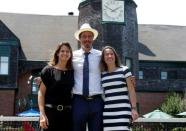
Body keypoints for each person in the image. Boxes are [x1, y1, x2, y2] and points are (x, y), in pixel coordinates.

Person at [72, 23, 104, 131]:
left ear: (93, 39)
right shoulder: (72, 56)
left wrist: (126, 75)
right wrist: (43, 78)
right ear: (79, 39)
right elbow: (59, 66)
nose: (87, 39)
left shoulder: (101, 55)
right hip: (78, 101)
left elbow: (114, 65)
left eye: (89, 36)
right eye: (84, 36)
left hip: (96, 102)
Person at [100, 46, 139, 131]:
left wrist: (134, 109)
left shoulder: (125, 70)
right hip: (108, 112)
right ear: (103, 58)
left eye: (111, 54)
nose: (109, 56)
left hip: (123, 110)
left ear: (115, 56)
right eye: (106, 54)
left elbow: (131, 90)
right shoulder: (102, 74)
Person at [38, 42, 74, 131]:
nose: (65, 53)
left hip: (67, 116)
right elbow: (41, 93)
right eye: (62, 51)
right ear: (57, 53)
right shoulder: (48, 70)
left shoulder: (72, 72)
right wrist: (42, 114)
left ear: (70, 54)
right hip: (50, 114)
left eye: (67, 51)